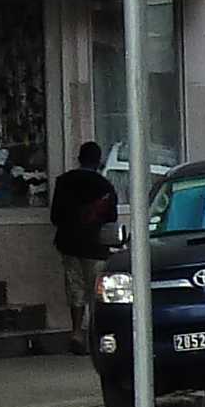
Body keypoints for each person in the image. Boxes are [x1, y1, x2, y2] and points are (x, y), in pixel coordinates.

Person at [49, 139, 121, 337]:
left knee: (75, 288)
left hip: (69, 243)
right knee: (96, 290)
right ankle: (95, 332)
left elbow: (55, 216)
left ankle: (76, 331)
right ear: (98, 161)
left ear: (79, 159)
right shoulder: (104, 186)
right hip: (95, 245)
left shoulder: (64, 181)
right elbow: (110, 219)